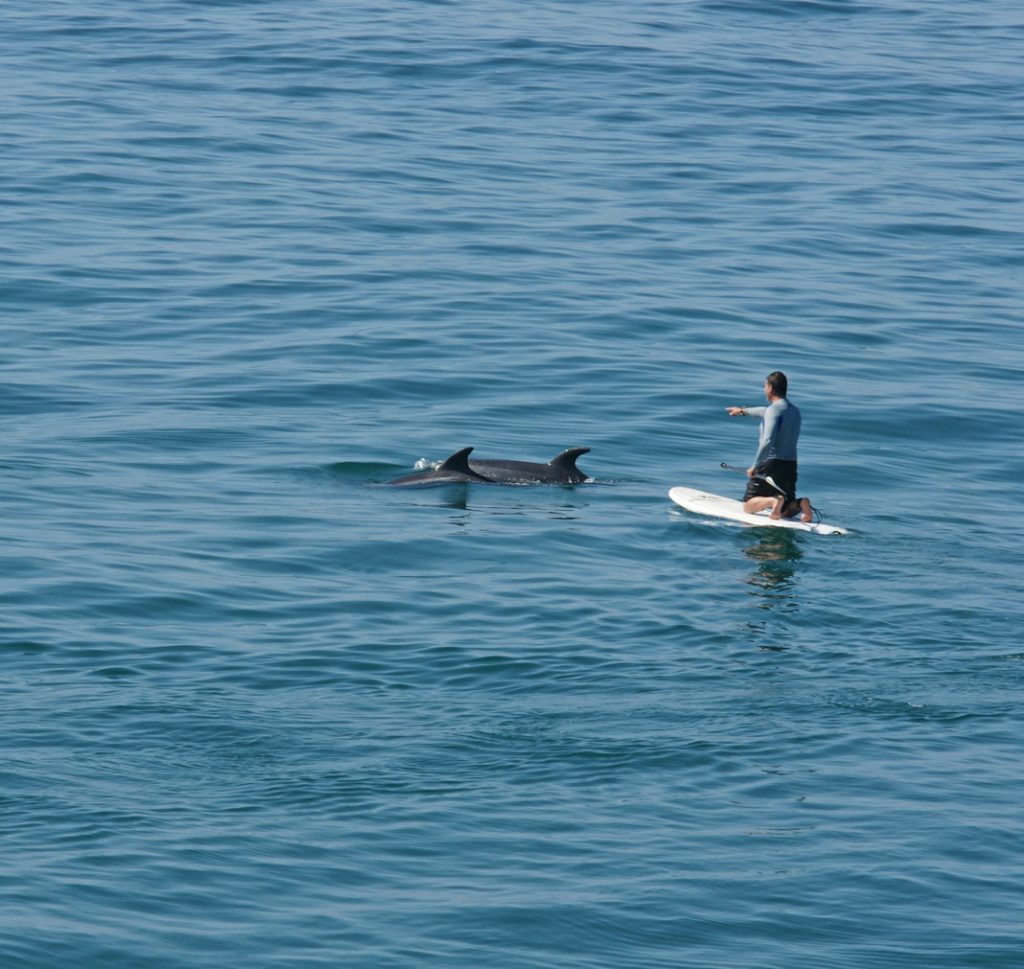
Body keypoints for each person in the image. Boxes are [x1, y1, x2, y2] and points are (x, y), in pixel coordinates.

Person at [725, 371, 813, 522]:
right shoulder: (794, 411)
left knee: (748, 506)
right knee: (785, 510)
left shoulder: (773, 410)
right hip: (790, 464)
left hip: (771, 463)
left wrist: (755, 465)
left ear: (770, 388)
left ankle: (773, 501)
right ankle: (802, 504)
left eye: (765, 386)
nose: (764, 389)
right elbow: (763, 412)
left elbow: (767, 440)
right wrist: (742, 411)